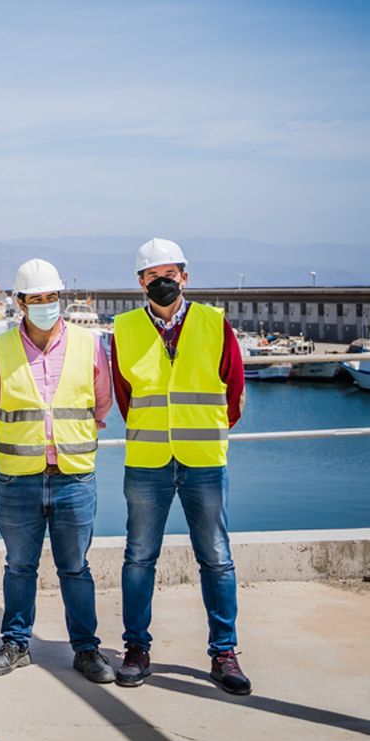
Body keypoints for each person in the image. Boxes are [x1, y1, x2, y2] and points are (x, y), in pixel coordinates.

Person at [112, 238, 250, 694]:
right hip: (148, 461)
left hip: (204, 461)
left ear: (185, 277)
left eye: (170, 274)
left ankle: (224, 653)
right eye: (153, 276)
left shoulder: (215, 323)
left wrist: (206, 429)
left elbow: (234, 391)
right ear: (140, 283)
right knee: (138, 559)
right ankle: (136, 649)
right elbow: (124, 396)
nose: (163, 282)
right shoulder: (125, 328)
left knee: (216, 558)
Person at [0, 259, 115, 684]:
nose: (45, 305)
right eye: (36, 299)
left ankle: (86, 649)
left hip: (74, 477)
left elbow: (102, 402)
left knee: (75, 567)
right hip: (19, 477)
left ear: (61, 298)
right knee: (20, 566)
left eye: (51, 298)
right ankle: (16, 643)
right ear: (20, 303)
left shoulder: (89, 345)